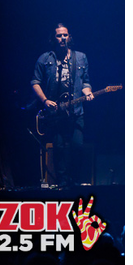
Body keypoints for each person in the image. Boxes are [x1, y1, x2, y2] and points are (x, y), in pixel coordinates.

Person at [31, 23, 94, 188]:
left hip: (76, 111)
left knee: (77, 146)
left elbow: (86, 81)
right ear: (54, 38)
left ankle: (74, 181)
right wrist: (45, 100)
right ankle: (62, 183)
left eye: (65, 35)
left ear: (69, 37)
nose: (62, 38)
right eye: (59, 35)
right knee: (59, 148)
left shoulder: (80, 57)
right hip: (56, 113)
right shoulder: (45, 59)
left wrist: (87, 92)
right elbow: (35, 82)